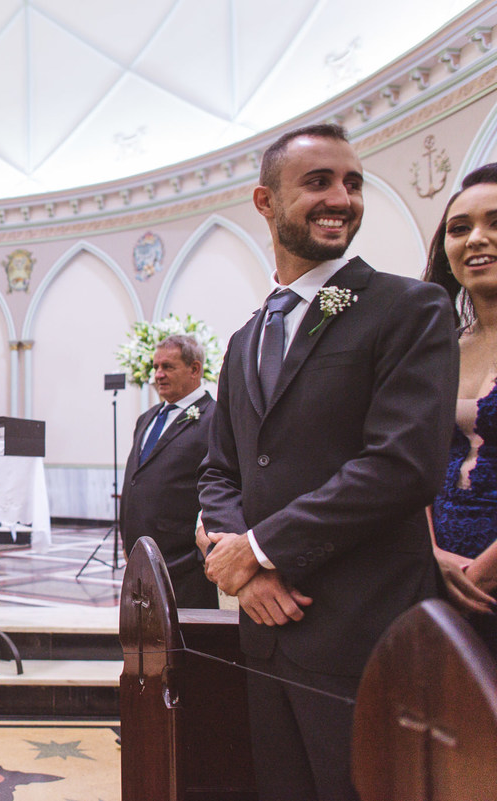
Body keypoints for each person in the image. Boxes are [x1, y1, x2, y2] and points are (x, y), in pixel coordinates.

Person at [199, 123, 457, 801]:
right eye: (318, 182)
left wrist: (256, 548)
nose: (341, 198)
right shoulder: (247, 336)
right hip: (266, 630)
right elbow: (222, 469)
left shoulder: (406, 308)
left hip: (361, 631)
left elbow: (403, 463)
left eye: (352, 183)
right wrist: (244, 570)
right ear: (265, 201)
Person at [422, 162, 497, 651]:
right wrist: (427, 553)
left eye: (495, 224)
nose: (476, 239)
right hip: (436, 573)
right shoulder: (437, 347)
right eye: (460, 228)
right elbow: (411, 459)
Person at [120, 334, 217, 607]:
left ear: (195, 369)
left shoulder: (215, 417)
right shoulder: (147, 418)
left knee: (183, 642)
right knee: (144, 642)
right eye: (155, 367)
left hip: (184, 564)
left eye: (168, 367)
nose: (158, 375)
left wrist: (199, 554)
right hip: (140, 558)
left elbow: (218, 483)